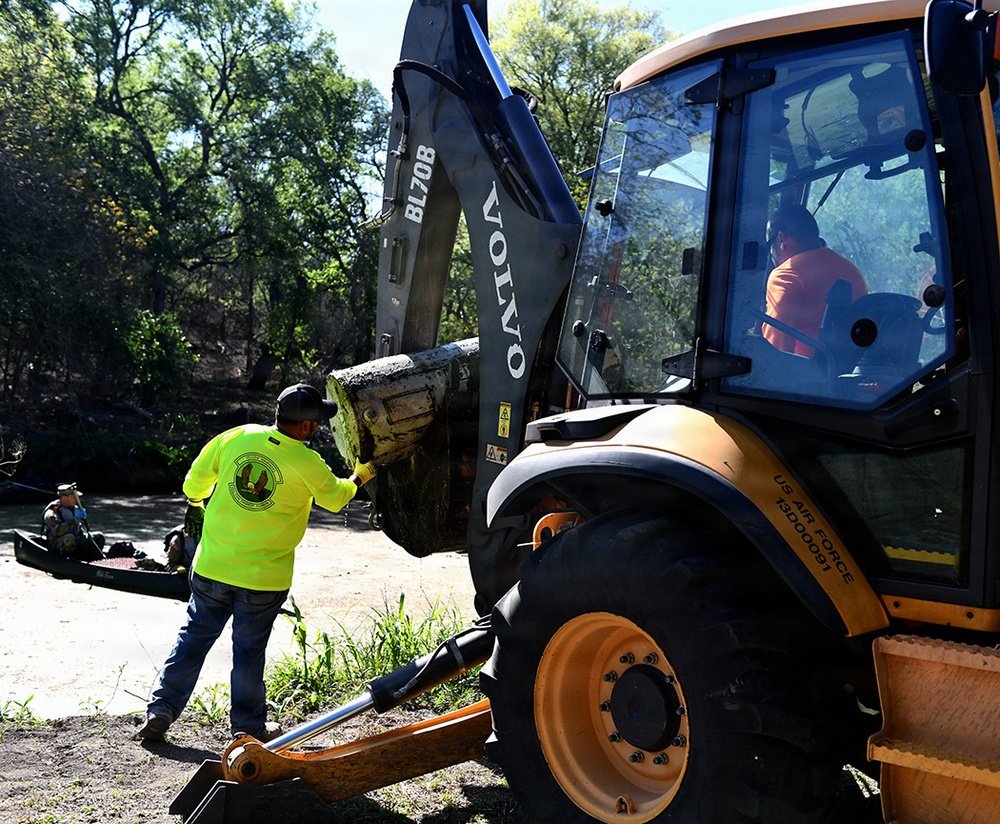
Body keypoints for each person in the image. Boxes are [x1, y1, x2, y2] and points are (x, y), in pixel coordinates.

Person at [137, 383, 376, 743]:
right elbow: (338, 498)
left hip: (212, 568)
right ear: (307, 427)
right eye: (318, 422)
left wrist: (199, 504)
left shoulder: (237, 436)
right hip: (264, 581)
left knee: (193, 639)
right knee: (248, 654)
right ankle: (246, 731)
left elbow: (194, 484)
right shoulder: (308, 462)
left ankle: (161, 709)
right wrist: (362, 474)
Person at [761, 205, 868, 356]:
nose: (770, 254)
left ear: (781, 239)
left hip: (803, 375)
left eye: (769, 246)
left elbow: (777, 349)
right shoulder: (850, 270)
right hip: (847, 374)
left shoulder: (785, 275)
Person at [42, 483, 105, 559]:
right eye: (74, 497)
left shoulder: (74, 509)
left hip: (75, 539)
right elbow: (59, 531)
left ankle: (94, 559)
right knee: (70, 539)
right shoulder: (52, 513)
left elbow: (79, 530)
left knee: (98, 536)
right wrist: (75, 519)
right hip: (57, 542)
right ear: (64, 498)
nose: (76, 499)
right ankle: (69, 562)